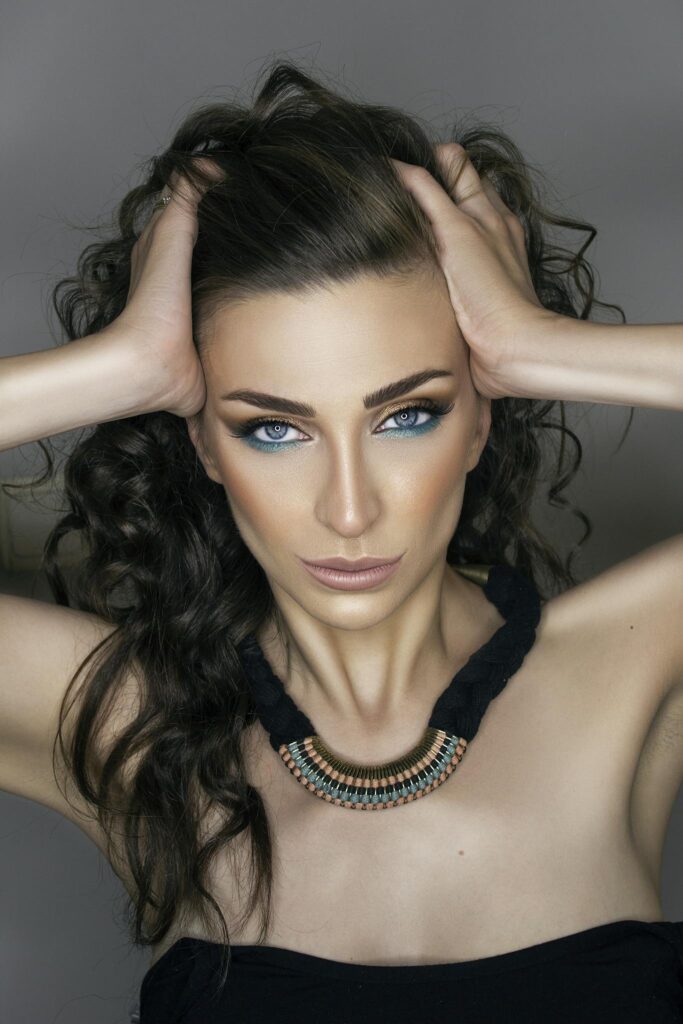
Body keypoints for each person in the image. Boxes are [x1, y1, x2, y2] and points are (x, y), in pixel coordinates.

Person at [1, 60, 682, 1023]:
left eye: (408, 415)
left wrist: (542, 350)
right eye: (272, 429)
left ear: (481, 417)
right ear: (200, 438)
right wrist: (115, 368)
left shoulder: (640, 659)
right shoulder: (127, 727)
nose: (349, 509)